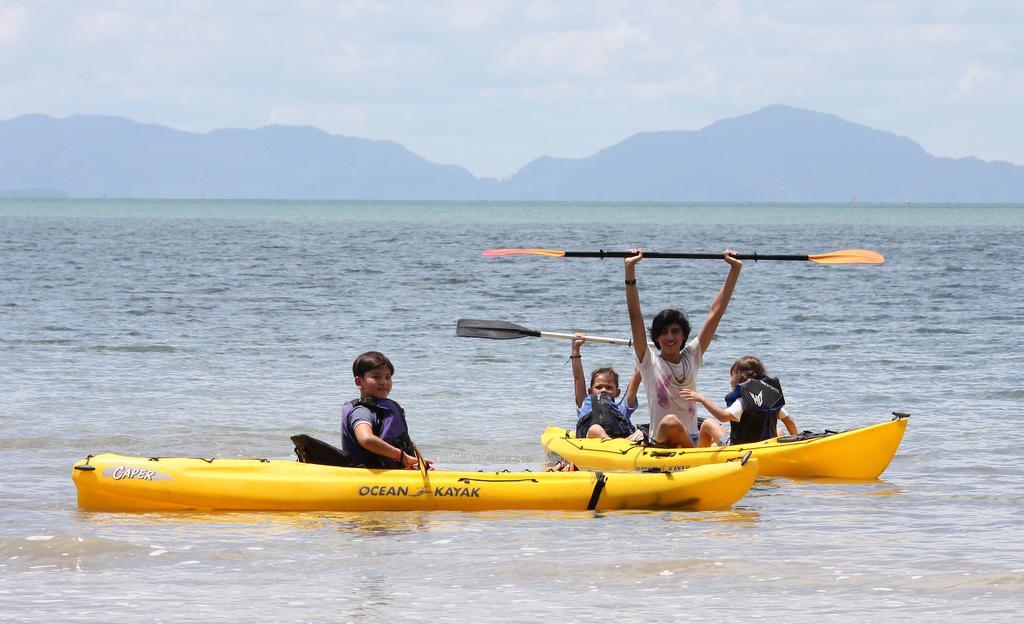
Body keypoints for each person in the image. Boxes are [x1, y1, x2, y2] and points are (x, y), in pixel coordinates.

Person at [624, 249, 742, 448]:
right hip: (663, 440)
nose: (670, 337)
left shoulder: (692, 356)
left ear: (683, 335)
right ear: (656, 338)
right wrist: (630, 269)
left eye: (675, 331)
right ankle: (701, 457)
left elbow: (716, 312)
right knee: (671, 422)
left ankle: (730, 448)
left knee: (710, 423)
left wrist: (735, 270)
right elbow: (635, 315)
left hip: (692, 438)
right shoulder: (648, 361)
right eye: (663, 333)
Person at [340, 351, 433, 470]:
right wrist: (400, 456)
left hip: (393, 473)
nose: (384, 382)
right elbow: (366, 439)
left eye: (388, 377)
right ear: (359, 382)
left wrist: (414, 463)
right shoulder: (361, 412)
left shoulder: (385, 409)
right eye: (376, 377)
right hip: (368, 477)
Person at [681, 356, 798, 445]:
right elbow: (789, 421)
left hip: (739, 448)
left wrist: (702, 399)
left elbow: (722, 417)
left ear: (739, 378)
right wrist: (796, 442)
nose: (730, 379)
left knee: (707, 423)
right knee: (779, 431)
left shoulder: (741, 402)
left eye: (731, 375)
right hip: (763, 445)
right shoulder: (771, 399)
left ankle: (701, 456)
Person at [571, 333, 644, 441]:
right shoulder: (585, 402)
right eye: (599, 387)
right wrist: (576, 349)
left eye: (609, 387)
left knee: (642, 432)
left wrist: (643, 352)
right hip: (592, 436)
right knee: (595, 429)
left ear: (617, 392)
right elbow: (578, 378)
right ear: (590, 391)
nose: (603, 389)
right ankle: (608, 440)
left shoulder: (622, 408)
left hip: (621, 441)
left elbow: (637, 376)